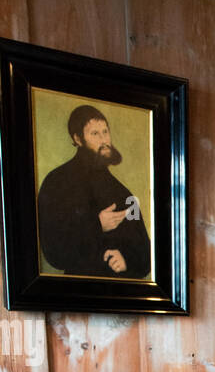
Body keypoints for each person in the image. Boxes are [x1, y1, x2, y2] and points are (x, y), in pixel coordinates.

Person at [36, 104, 151, 278]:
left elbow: (147, 254)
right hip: (79, 295)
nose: (104, 140)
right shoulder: (56, 182)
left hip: (124, 295)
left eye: (105, 132)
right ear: (78, 139)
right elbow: (54, 253)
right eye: (95, 134)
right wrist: (97, 225)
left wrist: (127, 259)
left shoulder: (124, 194)